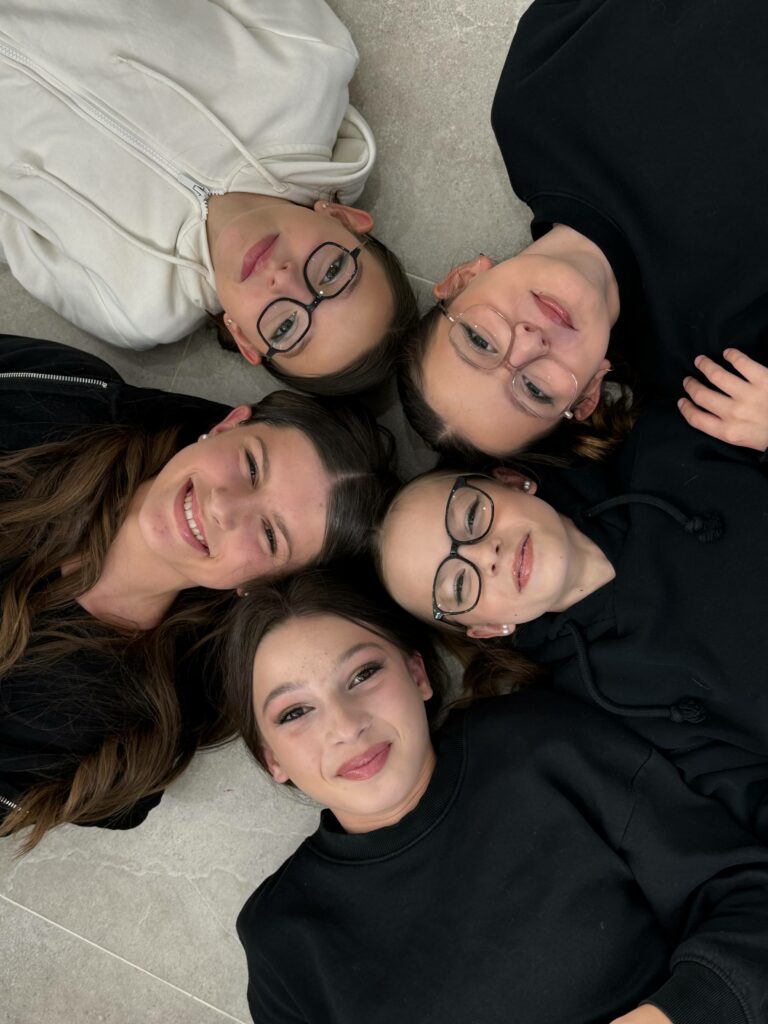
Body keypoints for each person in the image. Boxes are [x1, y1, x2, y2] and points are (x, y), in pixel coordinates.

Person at [222, 570, 768, 1024]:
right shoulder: (282, 937)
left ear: (417, 674)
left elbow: (748, 899)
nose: (345, 726)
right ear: (272, 760)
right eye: (294, 713)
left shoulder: (538, 746)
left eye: (363, 674)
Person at [0, 336, 396, 849]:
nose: (224, 508)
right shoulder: (56, 396)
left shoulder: (128, 735)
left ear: (259, 584)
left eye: (271, 535)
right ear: (230, 423)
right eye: (252, 467)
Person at [376, 402, 768, 841]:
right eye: (459, 587)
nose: (487, 555)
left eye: (470, 517)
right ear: (489, 628)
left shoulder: (671, 442)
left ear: (512, 481)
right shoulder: (604, 716)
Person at [398, 0, 768, 459]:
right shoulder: (720, 364)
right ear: (588, 396)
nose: (530, 344)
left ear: (463, 279)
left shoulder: (531, 105)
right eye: (534, 390)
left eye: (480, 340)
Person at [0, 0, 417, 396]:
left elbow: (11, 230)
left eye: (287, 327)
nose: (284, 279)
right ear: (345, 219)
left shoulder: (133, 312)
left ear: (241, 335)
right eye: (331, 273)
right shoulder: (310, 70)